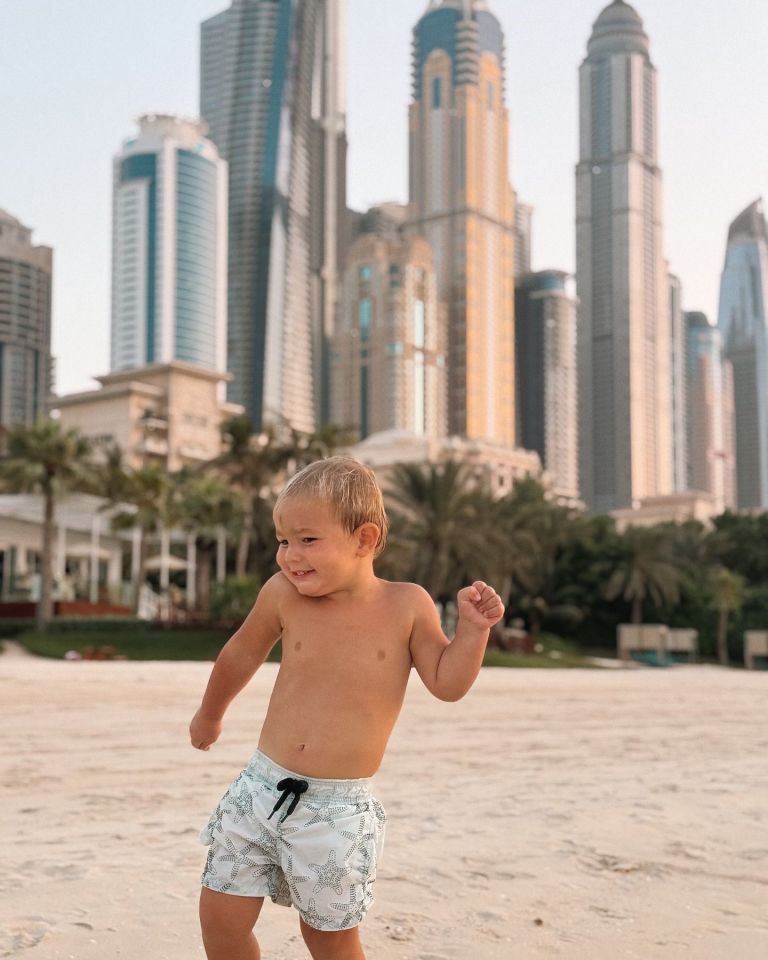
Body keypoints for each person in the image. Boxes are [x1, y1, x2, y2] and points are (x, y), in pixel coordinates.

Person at [190, 456, 504, 960]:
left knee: (330, 941)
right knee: (220, 918)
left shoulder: (406, 605)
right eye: (283, 540)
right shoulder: (283, 596)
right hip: (259, 788)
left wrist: (473, 631)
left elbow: (447, 684)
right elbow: (241, 653)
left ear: (364, 539)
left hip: (337, 811)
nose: (290, 556)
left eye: (308, 539)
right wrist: (210, 713)